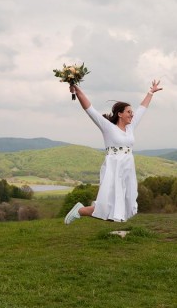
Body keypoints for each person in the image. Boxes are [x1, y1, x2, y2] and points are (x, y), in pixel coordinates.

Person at [64, 80, 163, 224]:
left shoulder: (130, 128)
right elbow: (90, 109)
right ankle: (80, 210)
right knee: (108, 206)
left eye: (131, 112)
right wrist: (77, 90)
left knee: (126, 202)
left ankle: (97, 211)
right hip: (113, 167)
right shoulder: (108, 128)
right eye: (129, 112)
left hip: (128, 167)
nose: (132, 114)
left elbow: (142, 109)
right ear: (120, 114)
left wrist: (150, 93)